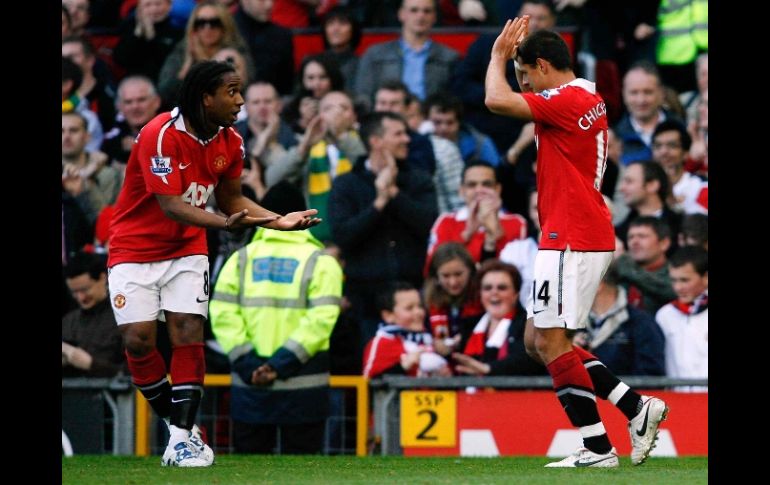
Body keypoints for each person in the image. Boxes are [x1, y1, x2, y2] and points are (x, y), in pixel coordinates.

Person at [107, 60, 320, 467]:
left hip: (188, 249)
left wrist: (278, 220)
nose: (239, 101)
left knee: (188, 331)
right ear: (206, 97)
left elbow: (232, 200)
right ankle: (179, 428)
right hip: (134, 248)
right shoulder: (159, 135)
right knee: (137, 339)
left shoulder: (231, 142)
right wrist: (224, 224)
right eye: (232, 92)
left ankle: (182, 439)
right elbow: (172, 206)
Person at [484, 18, 668, 468]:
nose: (523, 85)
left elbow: (494, 100)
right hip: (575, 232)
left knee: (550, 342)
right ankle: (636, 408)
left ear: (543, 66)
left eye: (525, 75)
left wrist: (496, 57)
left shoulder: (565, 99)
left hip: (571, 235)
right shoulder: (587, 95)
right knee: (537, 340)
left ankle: (598, 447)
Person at [209, 184, 342, 454]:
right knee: (303, 475)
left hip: (251, 385)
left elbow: (222, 314)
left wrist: (250, 364)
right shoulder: (321, 262)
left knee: (249, 474)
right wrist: (282, 364)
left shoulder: (240, 260)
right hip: (304, 384)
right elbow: (322, 319)